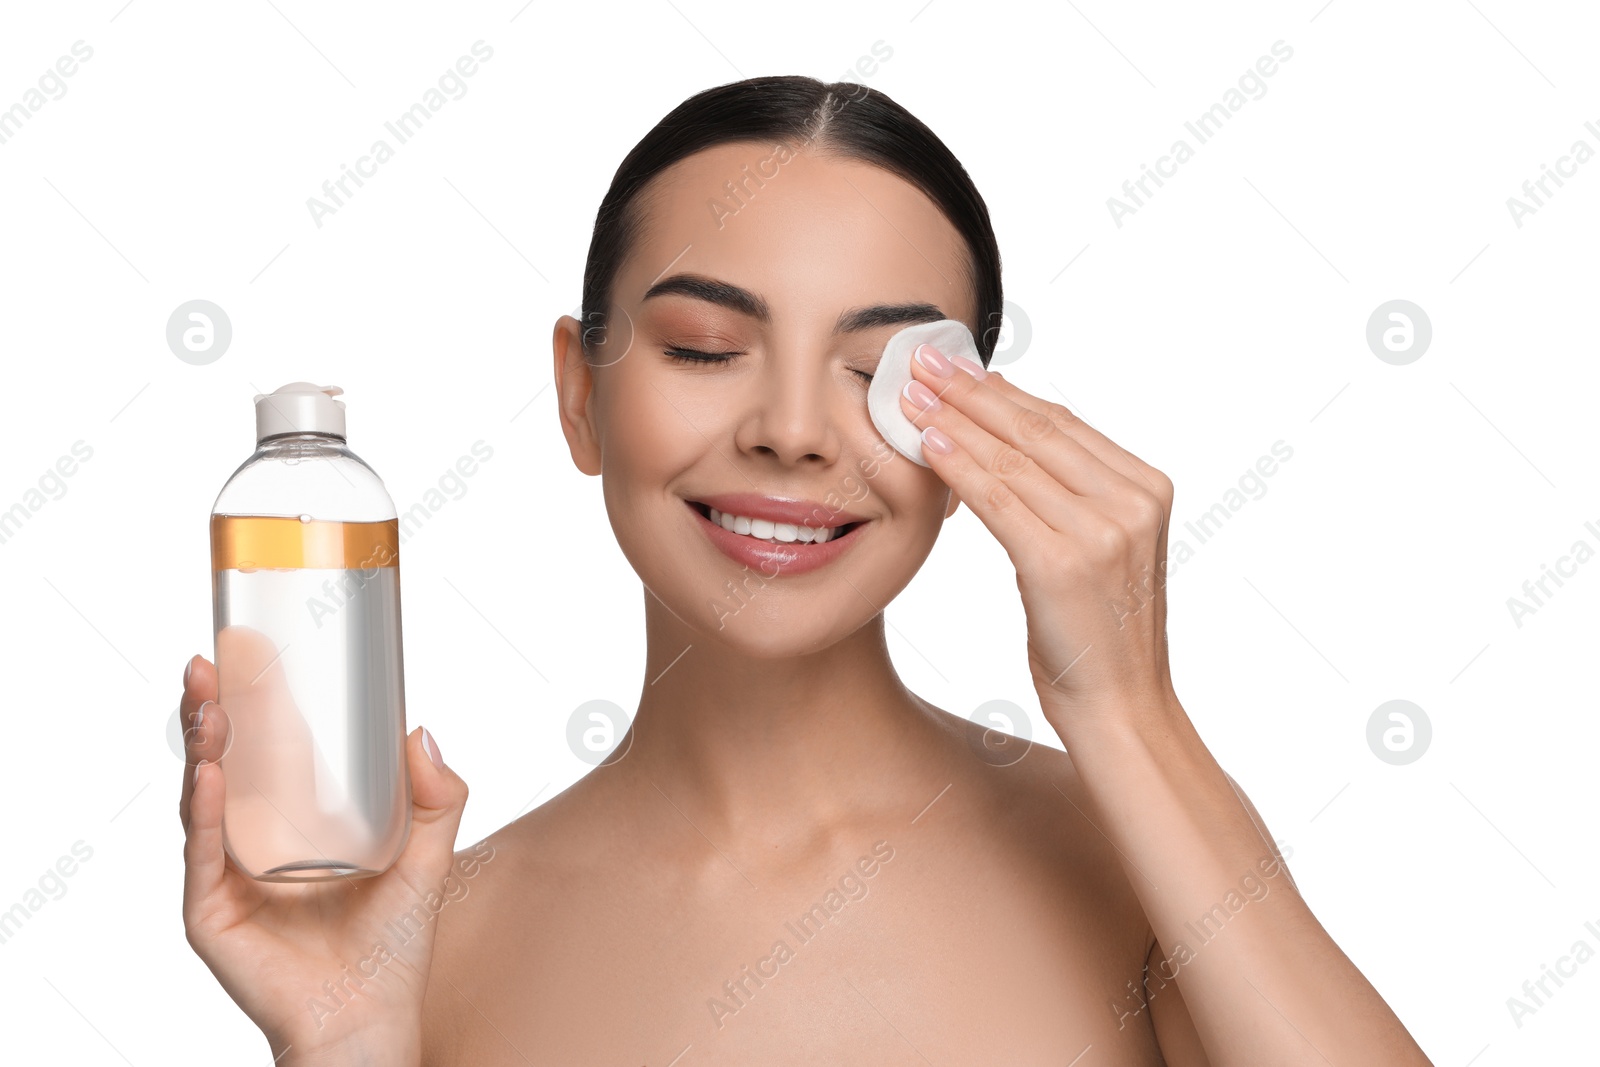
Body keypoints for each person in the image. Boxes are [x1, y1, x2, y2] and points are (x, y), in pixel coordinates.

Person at [179, 74, 1434, 1065]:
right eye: (706, 345)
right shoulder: (426, 947)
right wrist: (341, 1051)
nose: (791, 429)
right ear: (579, 393)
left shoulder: (1141, 861)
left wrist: (1127, 708)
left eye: (878, 369)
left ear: (974, 426)